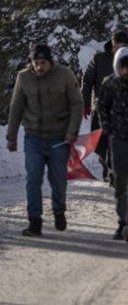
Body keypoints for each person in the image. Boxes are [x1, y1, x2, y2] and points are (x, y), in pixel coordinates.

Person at [7, 45, 82, 237]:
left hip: (59, 137)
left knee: (57, 180)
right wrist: (12, 136)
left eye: (43, 63)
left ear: (50, 62)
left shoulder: (65, 75)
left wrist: (72, 131)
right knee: (33, 180)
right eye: (36, 63)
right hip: (34, 137)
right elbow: (16, 107)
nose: (39, 67)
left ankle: (59, 210)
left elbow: (76, 103)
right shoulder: (24, 78)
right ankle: (35, 222)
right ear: (31, 63)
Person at [97, 47, 128, 242]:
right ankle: (122, 220)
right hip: (118, 140)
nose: (126, 70)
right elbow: (102, 107)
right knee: (120, 182)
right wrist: (108, 128)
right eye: (122, 67)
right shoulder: (109, 84)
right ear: (117, 66)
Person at [81, 30, 128, 183]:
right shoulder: (99, 58)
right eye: (119, 45)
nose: (122, 49)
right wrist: (86, 104)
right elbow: (88, 80)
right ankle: (106, 163)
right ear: (113, 45)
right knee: (99, 144)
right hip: (101, 108)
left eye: (125, 46)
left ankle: (113, 169)